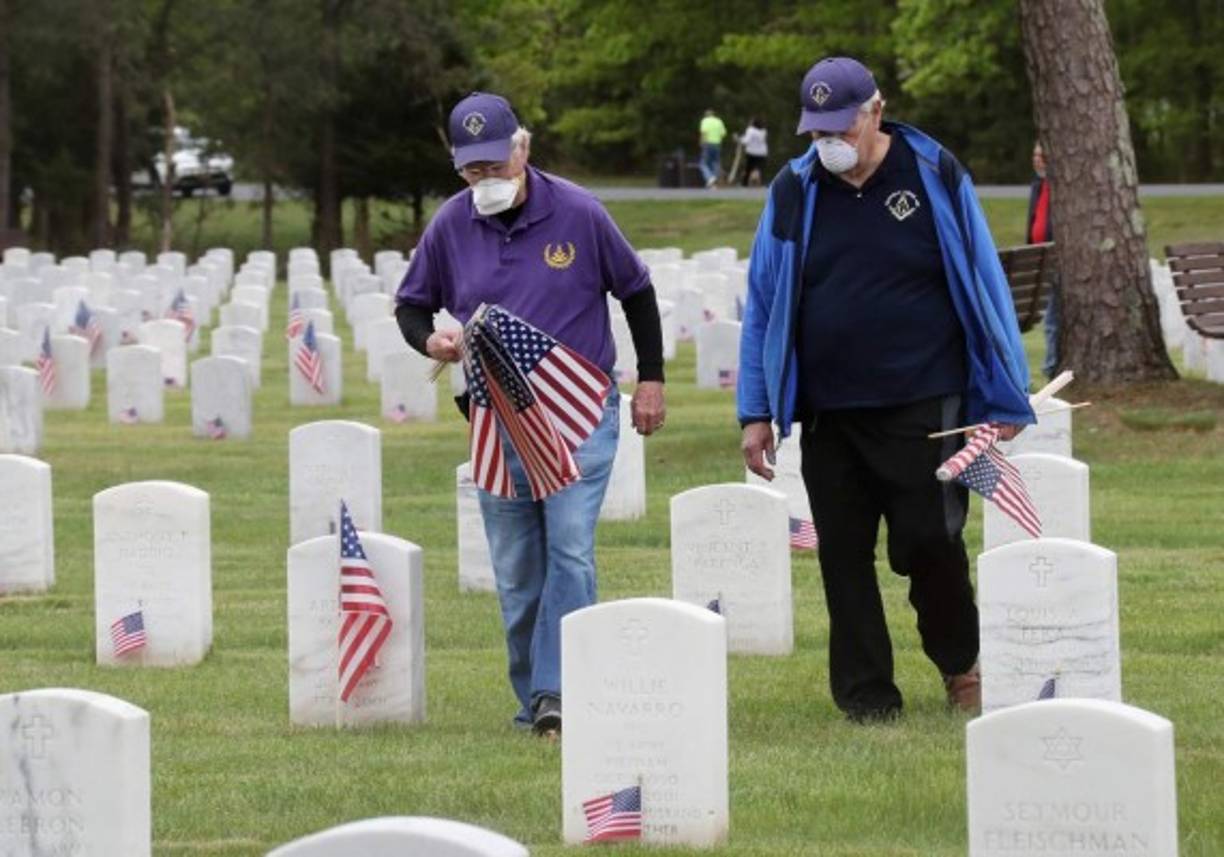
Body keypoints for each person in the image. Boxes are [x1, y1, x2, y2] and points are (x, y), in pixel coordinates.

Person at [736, 57, 1035, 723]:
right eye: (815, 132)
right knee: (842, 554)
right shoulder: (794, 188)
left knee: (929, 539)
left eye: (838, 127)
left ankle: (961, 662)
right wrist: (756, 409)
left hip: (926, 397)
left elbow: (984, 279)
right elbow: (764, 300)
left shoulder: (932, 173)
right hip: (829, 407)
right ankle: (867, 695)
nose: (827, 143)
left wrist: (1007, 391)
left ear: (875, 110)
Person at [395, 92, 667, 735]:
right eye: (472, 169)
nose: (485, 179)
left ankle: (561, 696)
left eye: (495, 163)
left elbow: (637, 291)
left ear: (523, 148)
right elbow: (411, 306)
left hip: (579, 411)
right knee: (517, 573)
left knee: (570, 552)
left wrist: (651, 379)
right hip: (495, 419)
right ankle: (533, 696)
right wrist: (429, 339)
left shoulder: (579, 212)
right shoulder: (450, 225)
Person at [1027, 140, 1060, 379]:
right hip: (1038, 259)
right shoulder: (1038, 185)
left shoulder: (1060, 187)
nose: (1037, 159)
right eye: (1035, 154)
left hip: (1055, 259)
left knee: (1052, 318)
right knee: (1051, 316)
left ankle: (1051, 367)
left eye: (1042, 155)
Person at [698, 109, 728, 188]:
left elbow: (704, 132)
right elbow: (723, 134)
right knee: (715, 163)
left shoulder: (705, 121)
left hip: (707, 143)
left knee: (703, 163)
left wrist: (701, 142)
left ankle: (710, 177)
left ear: (706, 115)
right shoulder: (719, 121)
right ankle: (715, 181)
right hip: (717, 144)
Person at [739, 118, 768, 187]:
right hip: (762, 152)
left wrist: (739, 139)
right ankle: (758, 181)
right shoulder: (763, 131)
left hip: (751, 152)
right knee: (758, 167)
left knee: (749, 167)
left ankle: (745, 182)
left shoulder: (750, 130)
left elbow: (746, 141)